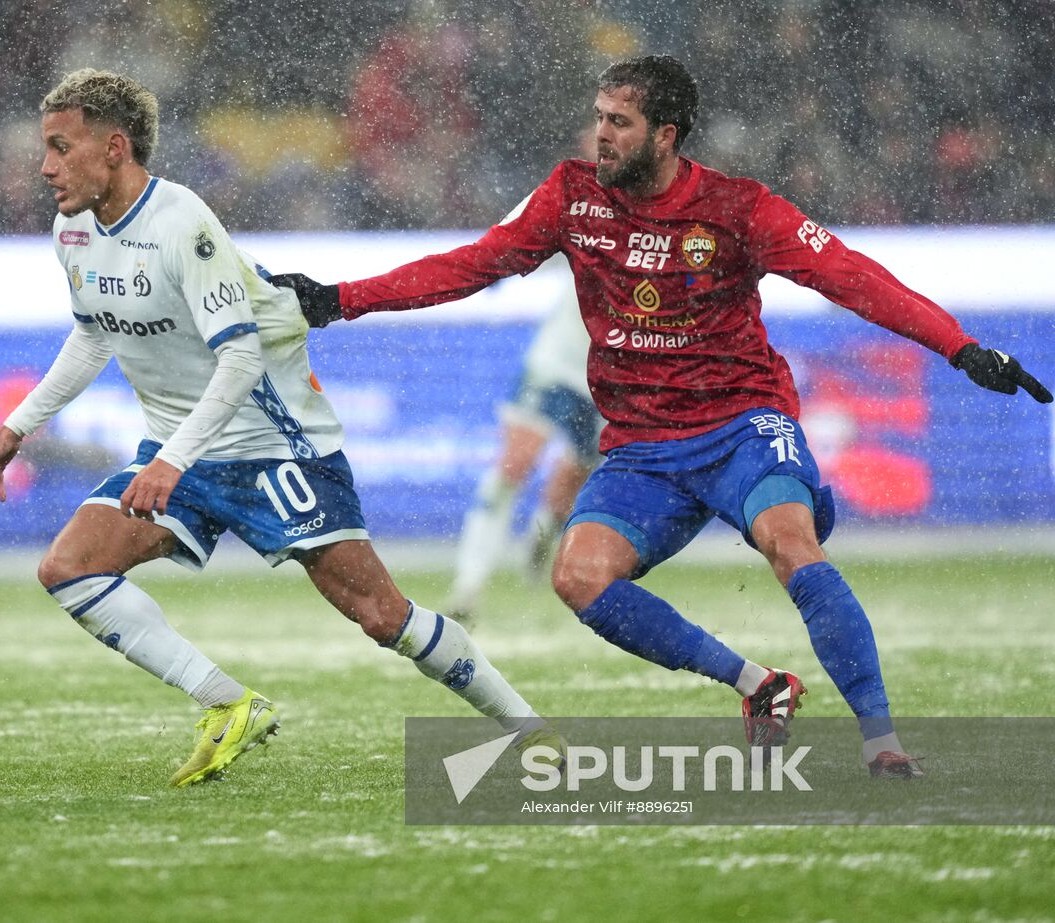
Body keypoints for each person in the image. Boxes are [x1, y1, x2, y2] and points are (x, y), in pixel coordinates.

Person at [270, 55, 1052, 779]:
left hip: (744, 422)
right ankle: (757, 682)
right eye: (600, 116)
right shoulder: (572, 197)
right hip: (642, 447)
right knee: (576, 577)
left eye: (620, 122)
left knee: (789, 541)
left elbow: (850, 277)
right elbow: (473, 264)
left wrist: (961, 347)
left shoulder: (738, 207)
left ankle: (881, 742)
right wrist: (343, 299)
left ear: (666, 135)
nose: (601, 134)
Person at [0, 68, 558, 789]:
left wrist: (172, 460)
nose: (46, 166)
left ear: (115, 148)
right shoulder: (74, 231)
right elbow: (94, 335)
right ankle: (226, 704)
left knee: (380, 613)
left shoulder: (181, 224)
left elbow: (240, 358)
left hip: (275, 445)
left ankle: (531, 732)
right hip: (182, 451)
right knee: (68, 566)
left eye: (61, 147)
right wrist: (17, 429)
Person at [447, 276, 602, 627]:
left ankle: (542, 535)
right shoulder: (592, 222)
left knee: (577, 473)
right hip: (554, 363)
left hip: (606, 376)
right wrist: (491, 267)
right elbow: (529, 236)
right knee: (513, 466)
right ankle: (467, 590)